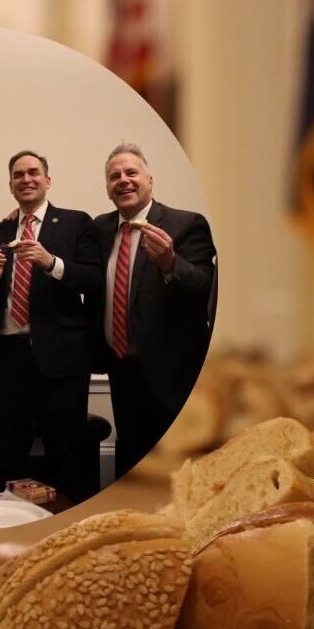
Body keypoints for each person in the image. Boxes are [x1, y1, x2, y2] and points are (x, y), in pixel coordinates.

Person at [0, 151, 102, 502]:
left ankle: (66, 521)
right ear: (11, 185)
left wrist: (51, 262)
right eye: (18, 175)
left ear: (48, 180)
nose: (26, 179)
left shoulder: (77, 223)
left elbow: (94, 279)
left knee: (65, 446)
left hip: (61, 357)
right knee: (11, 448)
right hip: (6, 355)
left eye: (33, 173)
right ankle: (12, 517)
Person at [90, 143, 217, 478]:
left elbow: (205, 285)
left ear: (150, 179)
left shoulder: (186, 224)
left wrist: (170, 264)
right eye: (114, 176)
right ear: (107, 189)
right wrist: (19, 215)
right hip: (120, 369)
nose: (123, 180)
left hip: (172, 372)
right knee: (133, 462)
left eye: (131, 172)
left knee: (175, 470)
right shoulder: (99, 230)